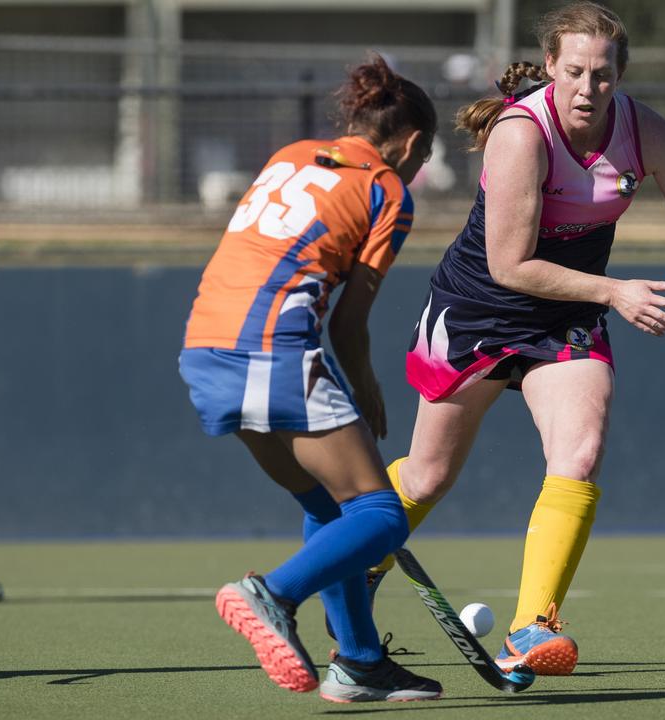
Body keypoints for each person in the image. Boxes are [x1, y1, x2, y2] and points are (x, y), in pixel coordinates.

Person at [367, 1, 665, 676]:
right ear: (550, 66)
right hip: (478, 310)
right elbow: (509, 265)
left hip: (565, 316)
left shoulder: (647, 132)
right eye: (573, 72)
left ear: (620, 75)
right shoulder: (521, 134)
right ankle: (348, 568)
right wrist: (614, 291)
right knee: (427, 476)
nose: (587, 89)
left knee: (579, 453)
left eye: (602, 75)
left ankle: (531, 627)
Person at [178, 55, 443, 702]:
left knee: (330, 507)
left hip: (204, 346)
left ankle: (358, 662)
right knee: (380, 514)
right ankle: (270, 594)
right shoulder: (388, 189)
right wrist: (367, 388)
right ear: (411, 144)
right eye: (425, 154)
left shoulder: (291, 153)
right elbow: (350, 323)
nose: (420, 167)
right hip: (270, 348)